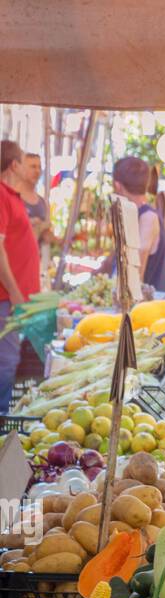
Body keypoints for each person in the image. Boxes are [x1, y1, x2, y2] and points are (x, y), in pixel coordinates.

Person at [0, 140, 41, 415]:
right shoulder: (1, 195)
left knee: (9, 361)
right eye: (25, 161)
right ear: (14, 165)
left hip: (12, 298)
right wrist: (14, 292)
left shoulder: (11, 195)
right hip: (5, 299)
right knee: (6, 362)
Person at [105, 155, 165, 294]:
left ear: (117, 186)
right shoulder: (135, 216)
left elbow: (134, 275)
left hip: (147, 311)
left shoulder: (147, 218)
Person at [20, 154, 50, 242]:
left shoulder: (42, 202)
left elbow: (46, 237)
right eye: (33, 167)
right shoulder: (12, 198)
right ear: (22, 169)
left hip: (37, 254)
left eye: (39, 167)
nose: (37, 171)